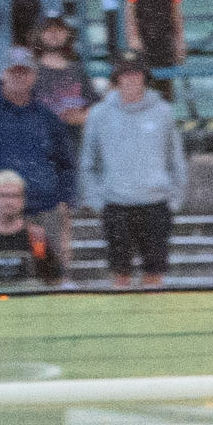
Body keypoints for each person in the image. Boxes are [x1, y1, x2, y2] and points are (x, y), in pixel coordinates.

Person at [80, 54, 187, 287]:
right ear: (116, 78)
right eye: (125, 73)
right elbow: (89, 162)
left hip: (156, 202)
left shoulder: (163, 112)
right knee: (120, 274)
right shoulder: (99, 114)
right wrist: (98, 200)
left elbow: (175, 159)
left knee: (154, 273)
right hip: (116, 204)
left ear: (144, 77)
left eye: (136, 73)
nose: (130, 79)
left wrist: (174, 199)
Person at [0, 49, 76, 246]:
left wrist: (65, 201)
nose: (19, 77)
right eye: (13, 72)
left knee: (52, 273)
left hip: (46, 211)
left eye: (24, 72)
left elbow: (65, 162)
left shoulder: (48, 113)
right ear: (2, 73)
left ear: (34, 76)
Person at [29, 18, 97, 133]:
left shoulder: (78, 69)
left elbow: (96, 107)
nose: (54, 34)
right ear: (39, 35)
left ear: (67, 34)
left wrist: (82, 116)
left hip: (74, 139)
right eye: (48, 30)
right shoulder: (31, 71)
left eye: (59, 29)